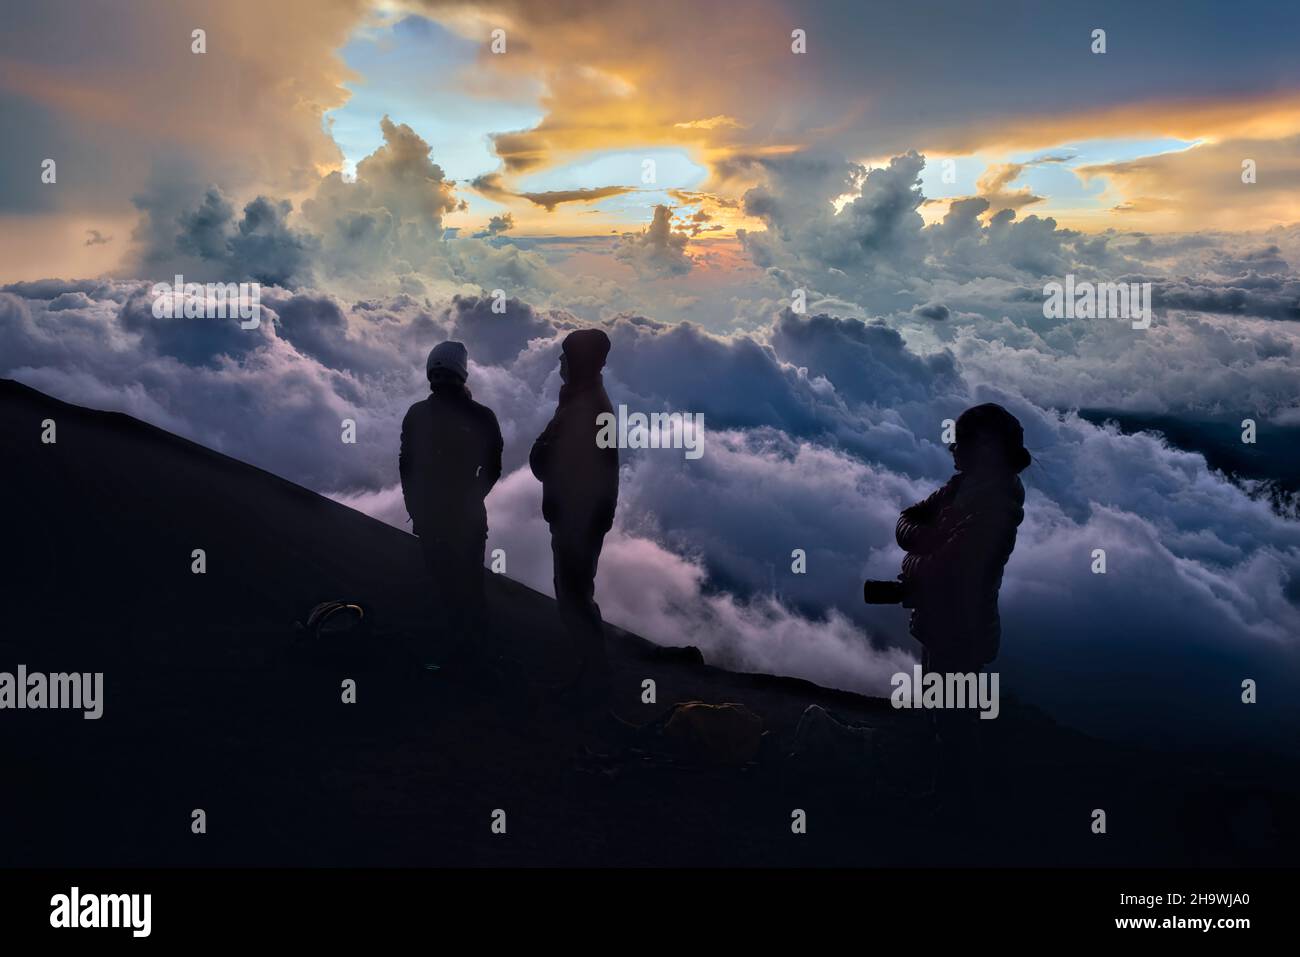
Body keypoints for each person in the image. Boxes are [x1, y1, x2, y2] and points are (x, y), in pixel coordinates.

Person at [864, 403, 1030, 801]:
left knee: (955, 726)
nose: (951, 450)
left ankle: (955, 812)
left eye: (959, 442)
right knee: (947, 715)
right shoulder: (963, 486)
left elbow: (944, 569)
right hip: (944, 623)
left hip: (962, 630)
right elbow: (908, 521)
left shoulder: (995, 506)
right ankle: (951, 799)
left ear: (984, 447)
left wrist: (919, 552)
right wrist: (933, 538)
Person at [529, 329, 619, 705]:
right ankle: (590, 676)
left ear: (578, 362)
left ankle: (594, 683)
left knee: (575, 598)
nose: (560, 363)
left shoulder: (587, 408)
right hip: (579, 519)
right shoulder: (586, 403)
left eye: (565, 356)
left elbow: (552, 462)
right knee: (576, 595)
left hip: (576, 521)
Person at [399, 341, 503, 660]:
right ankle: (475, 653)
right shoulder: (482, 416)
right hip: (468, 518)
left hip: (429, 515)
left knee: (439, 580)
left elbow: (407, 466)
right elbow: (493, 467)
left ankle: (443, 651)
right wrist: (471, 498)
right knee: (470, 583)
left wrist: (416, 508)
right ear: (462, 372)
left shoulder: (417, 414)